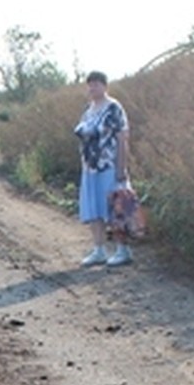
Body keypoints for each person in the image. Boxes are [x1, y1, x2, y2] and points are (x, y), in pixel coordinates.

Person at [74, 71, 133, 268]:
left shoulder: (114, 108)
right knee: (94, 209)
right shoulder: (88, 110)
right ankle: (99, 250)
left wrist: (121, 167)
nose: (92, 88)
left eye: (96, 84)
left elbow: (122, 138)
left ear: (105, 86)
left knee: (116, 208)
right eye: (90, 85)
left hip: (109, 165)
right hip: (90, 168)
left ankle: (122, 250)